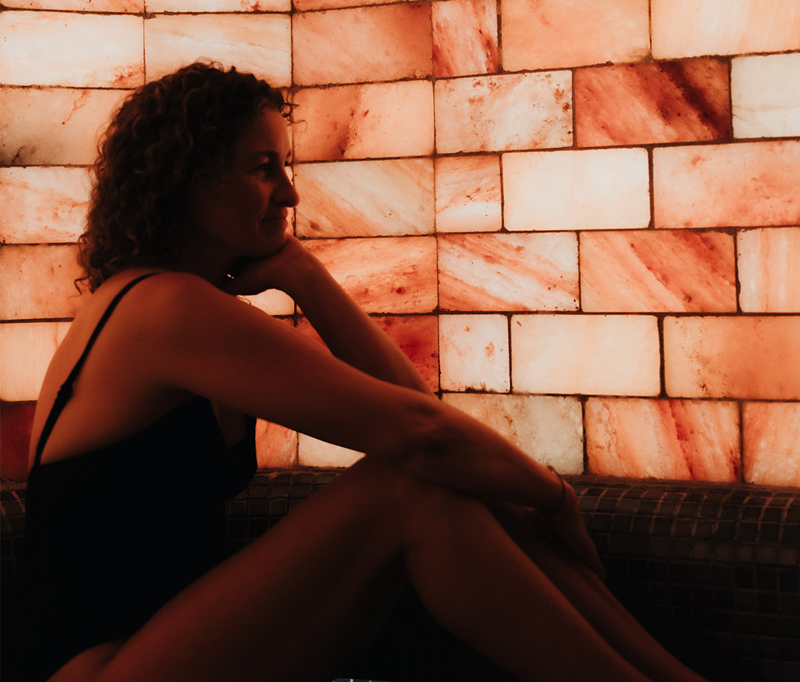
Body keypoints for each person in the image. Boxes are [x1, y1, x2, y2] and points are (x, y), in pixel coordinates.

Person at [18, 62, 707, 682]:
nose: (289, 193)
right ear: (190, 179)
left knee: (458, 478)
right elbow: (421, 432)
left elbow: (423, 422)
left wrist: (305, 275)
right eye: (263, 168)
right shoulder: (163, 308)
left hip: (179, 646)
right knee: (411, 488)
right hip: (102, 666)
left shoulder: (182, 306)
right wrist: (554, 497)